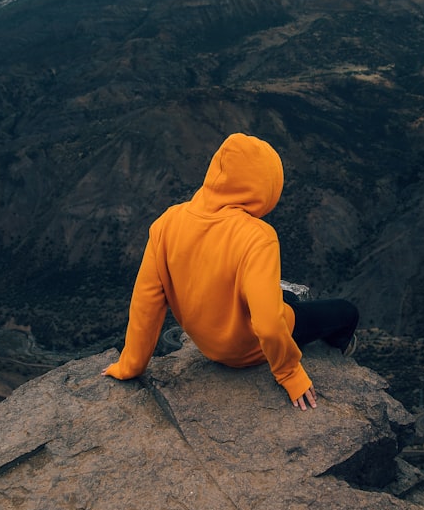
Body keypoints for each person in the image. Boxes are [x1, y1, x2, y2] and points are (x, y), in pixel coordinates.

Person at [101, 133, 359, 410]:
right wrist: (289, 372)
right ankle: (339, 344)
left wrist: (131, 365)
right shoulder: (258, 236)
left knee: (287, 300)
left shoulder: (166, 223)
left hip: (207, 345)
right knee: (346, 311)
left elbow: (145, 302)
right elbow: (270, 325)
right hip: (248, 350)